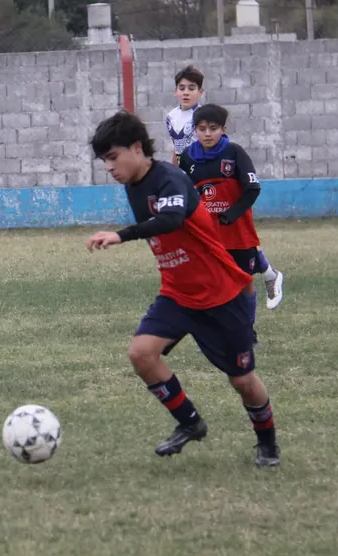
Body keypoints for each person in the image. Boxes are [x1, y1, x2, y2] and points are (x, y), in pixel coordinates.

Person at [86, 110, 280, 467]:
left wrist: (121, 235)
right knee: (141, 354)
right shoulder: (132, 186)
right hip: (178, 294)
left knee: (242, 380)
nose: (109, 167)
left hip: (221, 294)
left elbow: (171, 219)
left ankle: (267, 443)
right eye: (104, 161)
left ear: (136, 147)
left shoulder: (170, 178)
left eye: (113, 157)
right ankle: (190, 423)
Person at [178, 104, 284, 343]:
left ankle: (247, 333)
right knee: (212, 285)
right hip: (207, 234)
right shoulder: (187, 158)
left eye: (213, 128)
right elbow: (184, 191)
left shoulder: (234, 153)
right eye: (202, 129)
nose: (207, 134)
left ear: (223, 129)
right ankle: (216, 334)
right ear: (195, 130)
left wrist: (232, 214)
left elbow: (253, 188)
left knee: (243, 284)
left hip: (237, 231)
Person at [166, 65, 204, 166]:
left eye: (191, 89)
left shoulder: (203, 115)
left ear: (200, 92)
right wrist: (174, 170)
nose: (186, 93)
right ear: (176, 91)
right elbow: (176, 148)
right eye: (182, 88)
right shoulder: (171, 116)